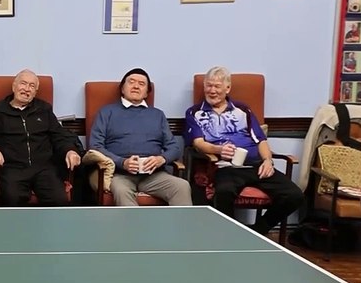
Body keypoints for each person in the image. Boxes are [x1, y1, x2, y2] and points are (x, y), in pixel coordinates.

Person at [184, 66, 302, 235]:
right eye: (208, 86)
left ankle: (257, 232)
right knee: (224, 192)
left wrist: (268, 161)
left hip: (256, 166)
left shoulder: (243, 110)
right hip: (226, 167)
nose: (212, 90)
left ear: (227, 88)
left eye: (217, 86)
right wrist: (218, 149)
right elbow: (198, 143)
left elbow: (260, 140)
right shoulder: (195, 112)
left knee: (294, 195)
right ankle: (229, 236)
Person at [0, 69, 81, 206]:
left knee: (59, 199)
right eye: (23, 84)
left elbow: (59, 136)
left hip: (44, 168)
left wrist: (70, 150)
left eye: (32, 86)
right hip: (12, 168)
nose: (26, 89)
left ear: (35, 92)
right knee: (12, 199)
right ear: (14, 86)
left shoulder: (44, 109)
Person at [86, 68, 190, 206]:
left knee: (182, 186)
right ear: (122, 89)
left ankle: (180, 228)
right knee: (121, 190)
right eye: (131, 82)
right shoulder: (107, 112)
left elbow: (174, 147)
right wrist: (122, 162)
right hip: (119, 174)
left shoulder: (157, 115)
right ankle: (133, 228)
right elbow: (95, 146)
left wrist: (161, 159)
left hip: (153, 175)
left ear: (147, 92)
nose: (136, 86)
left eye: (141, 84)